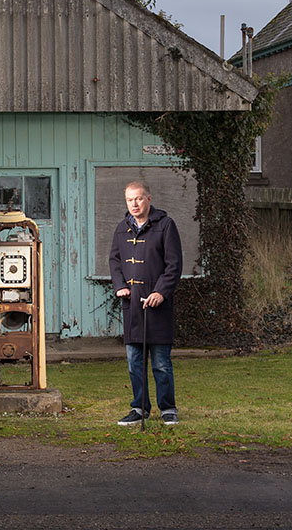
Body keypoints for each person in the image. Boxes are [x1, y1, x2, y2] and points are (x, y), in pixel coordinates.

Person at [108, 180, 183, 426]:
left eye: (139, 198)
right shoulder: (122, 229)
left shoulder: (166, 226)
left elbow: (174, 265)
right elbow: (115, 261)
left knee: (161, 363)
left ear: (148, 198)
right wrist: (120, 285)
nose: (134, 204)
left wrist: (161, 292)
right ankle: (139, 408)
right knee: (134, 362)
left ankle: (168, 408)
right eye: (130, 200)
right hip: (132, 306)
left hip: (157, 305)